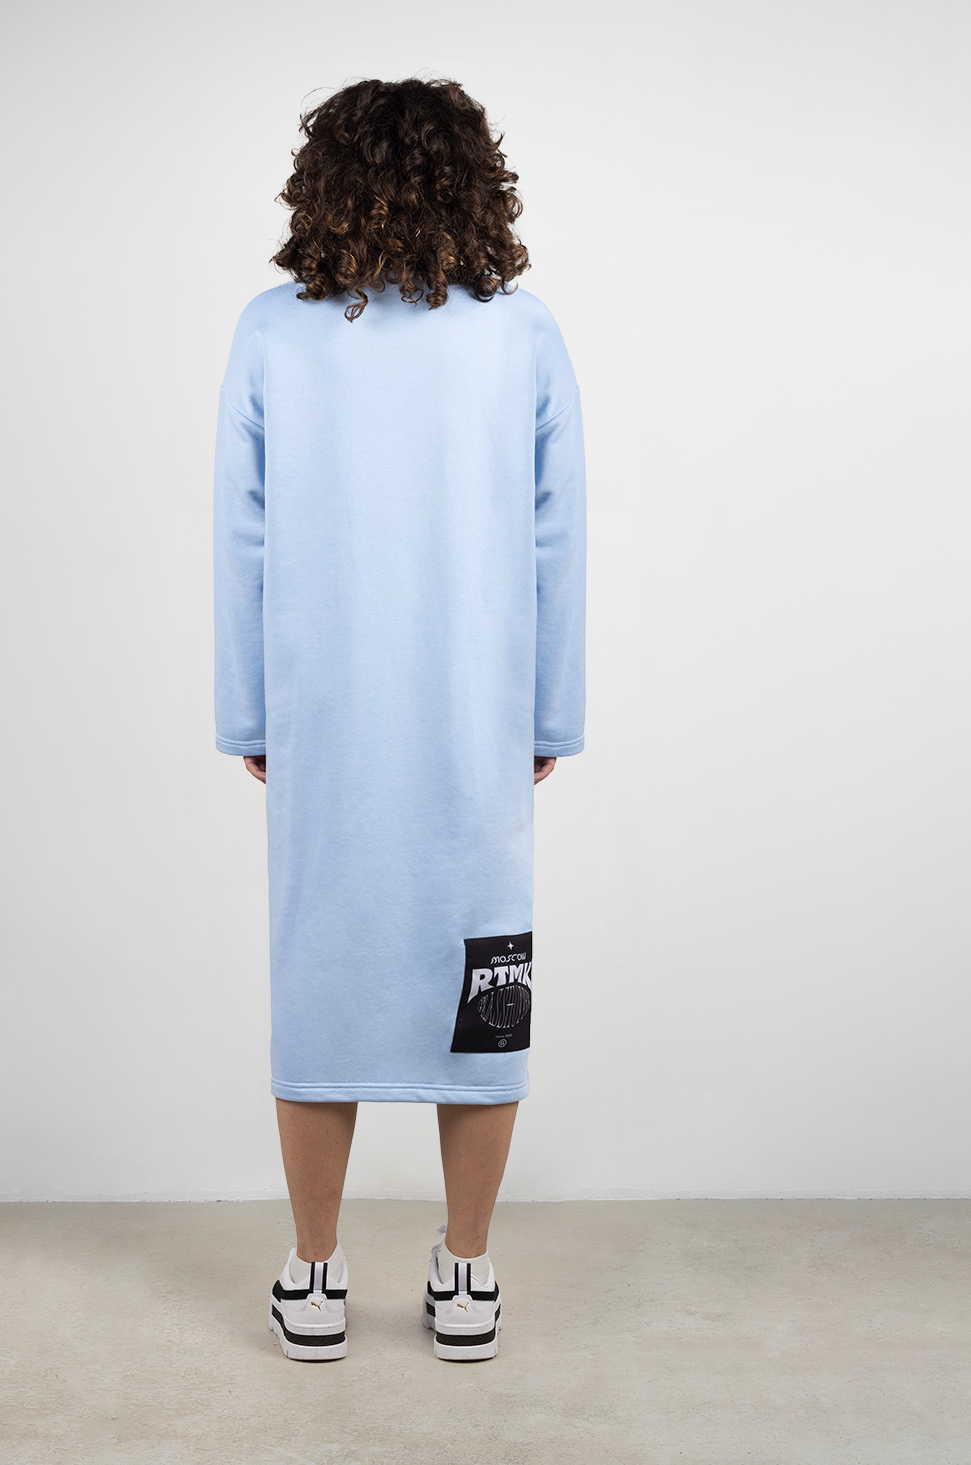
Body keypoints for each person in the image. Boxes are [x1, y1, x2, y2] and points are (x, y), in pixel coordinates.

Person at [213, 77, 585, 1362]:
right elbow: (555, 540)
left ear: (321, 184)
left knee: (319, 976)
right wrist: (550, 715)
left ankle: (315, 1277)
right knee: (484, 982)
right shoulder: (521, 333)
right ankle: (467, 1274)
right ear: (478, 183)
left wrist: (250, 711)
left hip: (325, 716)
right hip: (476, 721)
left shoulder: (273, 332)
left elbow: (244, 539)